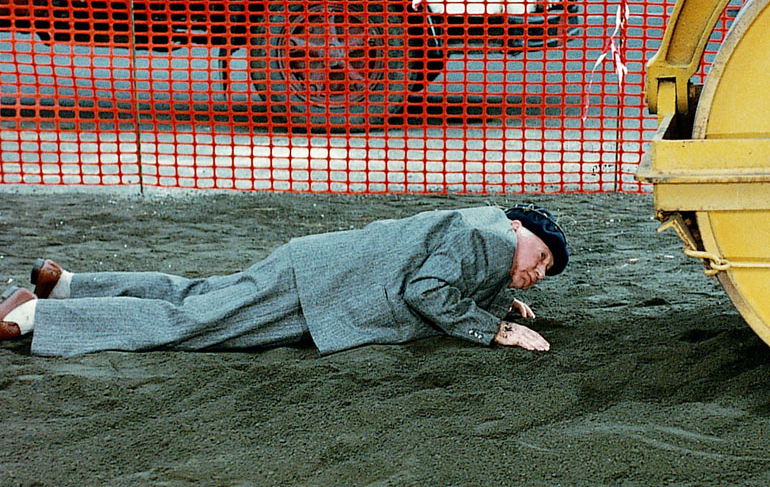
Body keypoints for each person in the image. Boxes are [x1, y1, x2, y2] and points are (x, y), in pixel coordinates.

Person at [0, 203, 568, 357]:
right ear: (517, 228)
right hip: (319, 292)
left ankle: (67, 284)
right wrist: (491, 328)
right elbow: (428, 291)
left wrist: (498, 300)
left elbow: (446, 271)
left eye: (543, 271)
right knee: (193, 324)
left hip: (314, 268)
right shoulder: (490, 242)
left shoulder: (486, 229)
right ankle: (39, 316)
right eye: (540, 256)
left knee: (198, 295)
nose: (537, 272)